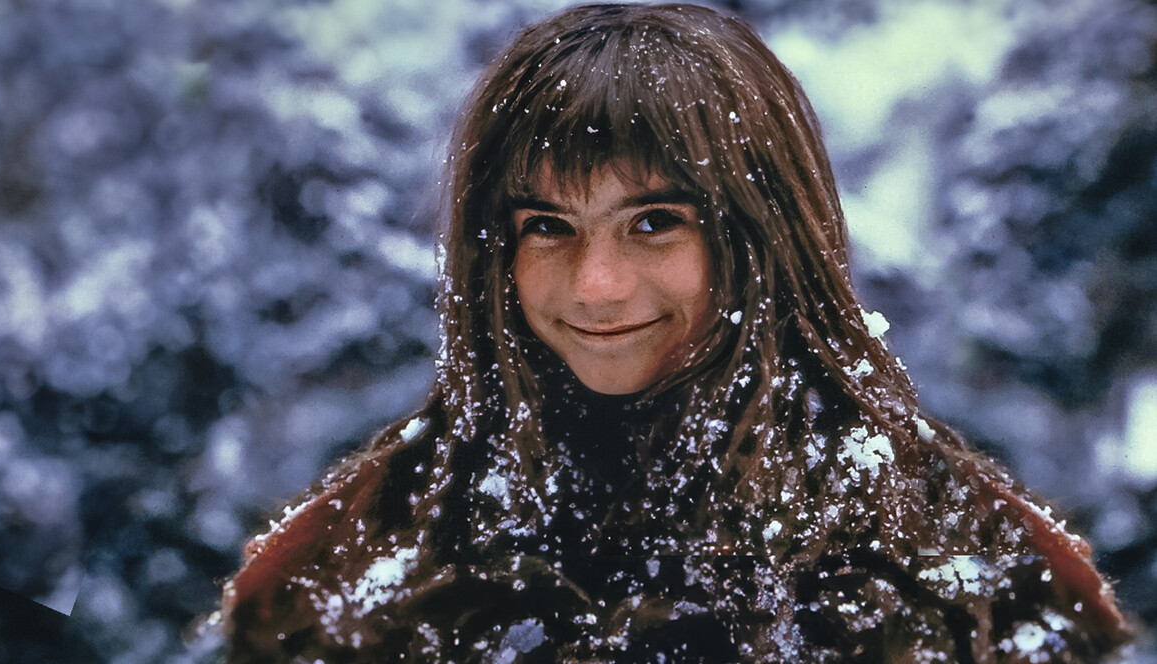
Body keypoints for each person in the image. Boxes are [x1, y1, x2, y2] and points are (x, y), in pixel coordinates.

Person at [216, 3, 1134, 661]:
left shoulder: (975, 570)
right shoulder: (339, 569)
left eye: (654, 222)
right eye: (547, 226)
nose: (597, 284)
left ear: (763, 239)